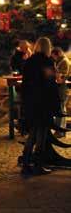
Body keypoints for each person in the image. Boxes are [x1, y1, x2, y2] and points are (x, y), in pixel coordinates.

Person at [20, 37, 59, 175]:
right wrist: (56, 103)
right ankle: (38, 164)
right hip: (43, 103)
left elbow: (25, 84)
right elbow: (50, 83)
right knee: (41, 134)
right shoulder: (47, 62)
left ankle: (26, 163)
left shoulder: (29, 62)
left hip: (31, 103)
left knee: (32, 133)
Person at [52, 47, 70, 137]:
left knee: (61, 109)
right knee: (60, 109)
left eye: (54, 56)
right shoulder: (61, 61)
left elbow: (62, 77)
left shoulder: (64, 62)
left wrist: (55, 73)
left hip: (62, 89)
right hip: (61, 89)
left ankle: (60, 131)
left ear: (58, 54)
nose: (53, 58)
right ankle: (60, 130)